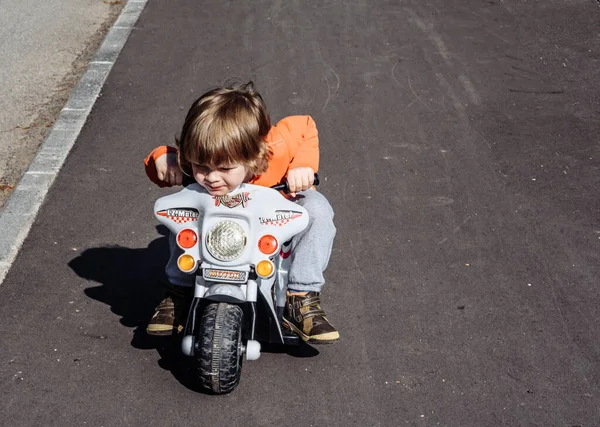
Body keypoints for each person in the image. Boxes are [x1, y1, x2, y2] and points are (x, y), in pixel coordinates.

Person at [143, 81, 339, 344]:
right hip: (217, 222)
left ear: (254, 157)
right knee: (184, 206)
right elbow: (164, 163)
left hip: (275, 209)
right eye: (200, 165)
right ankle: (179, 290)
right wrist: (161, 157)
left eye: (224, 169)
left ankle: (302, 296)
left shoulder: (278, 145)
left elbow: (305, 126)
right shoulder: (201, 162)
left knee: (317, 207)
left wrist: (302, 166)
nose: (211, 178)